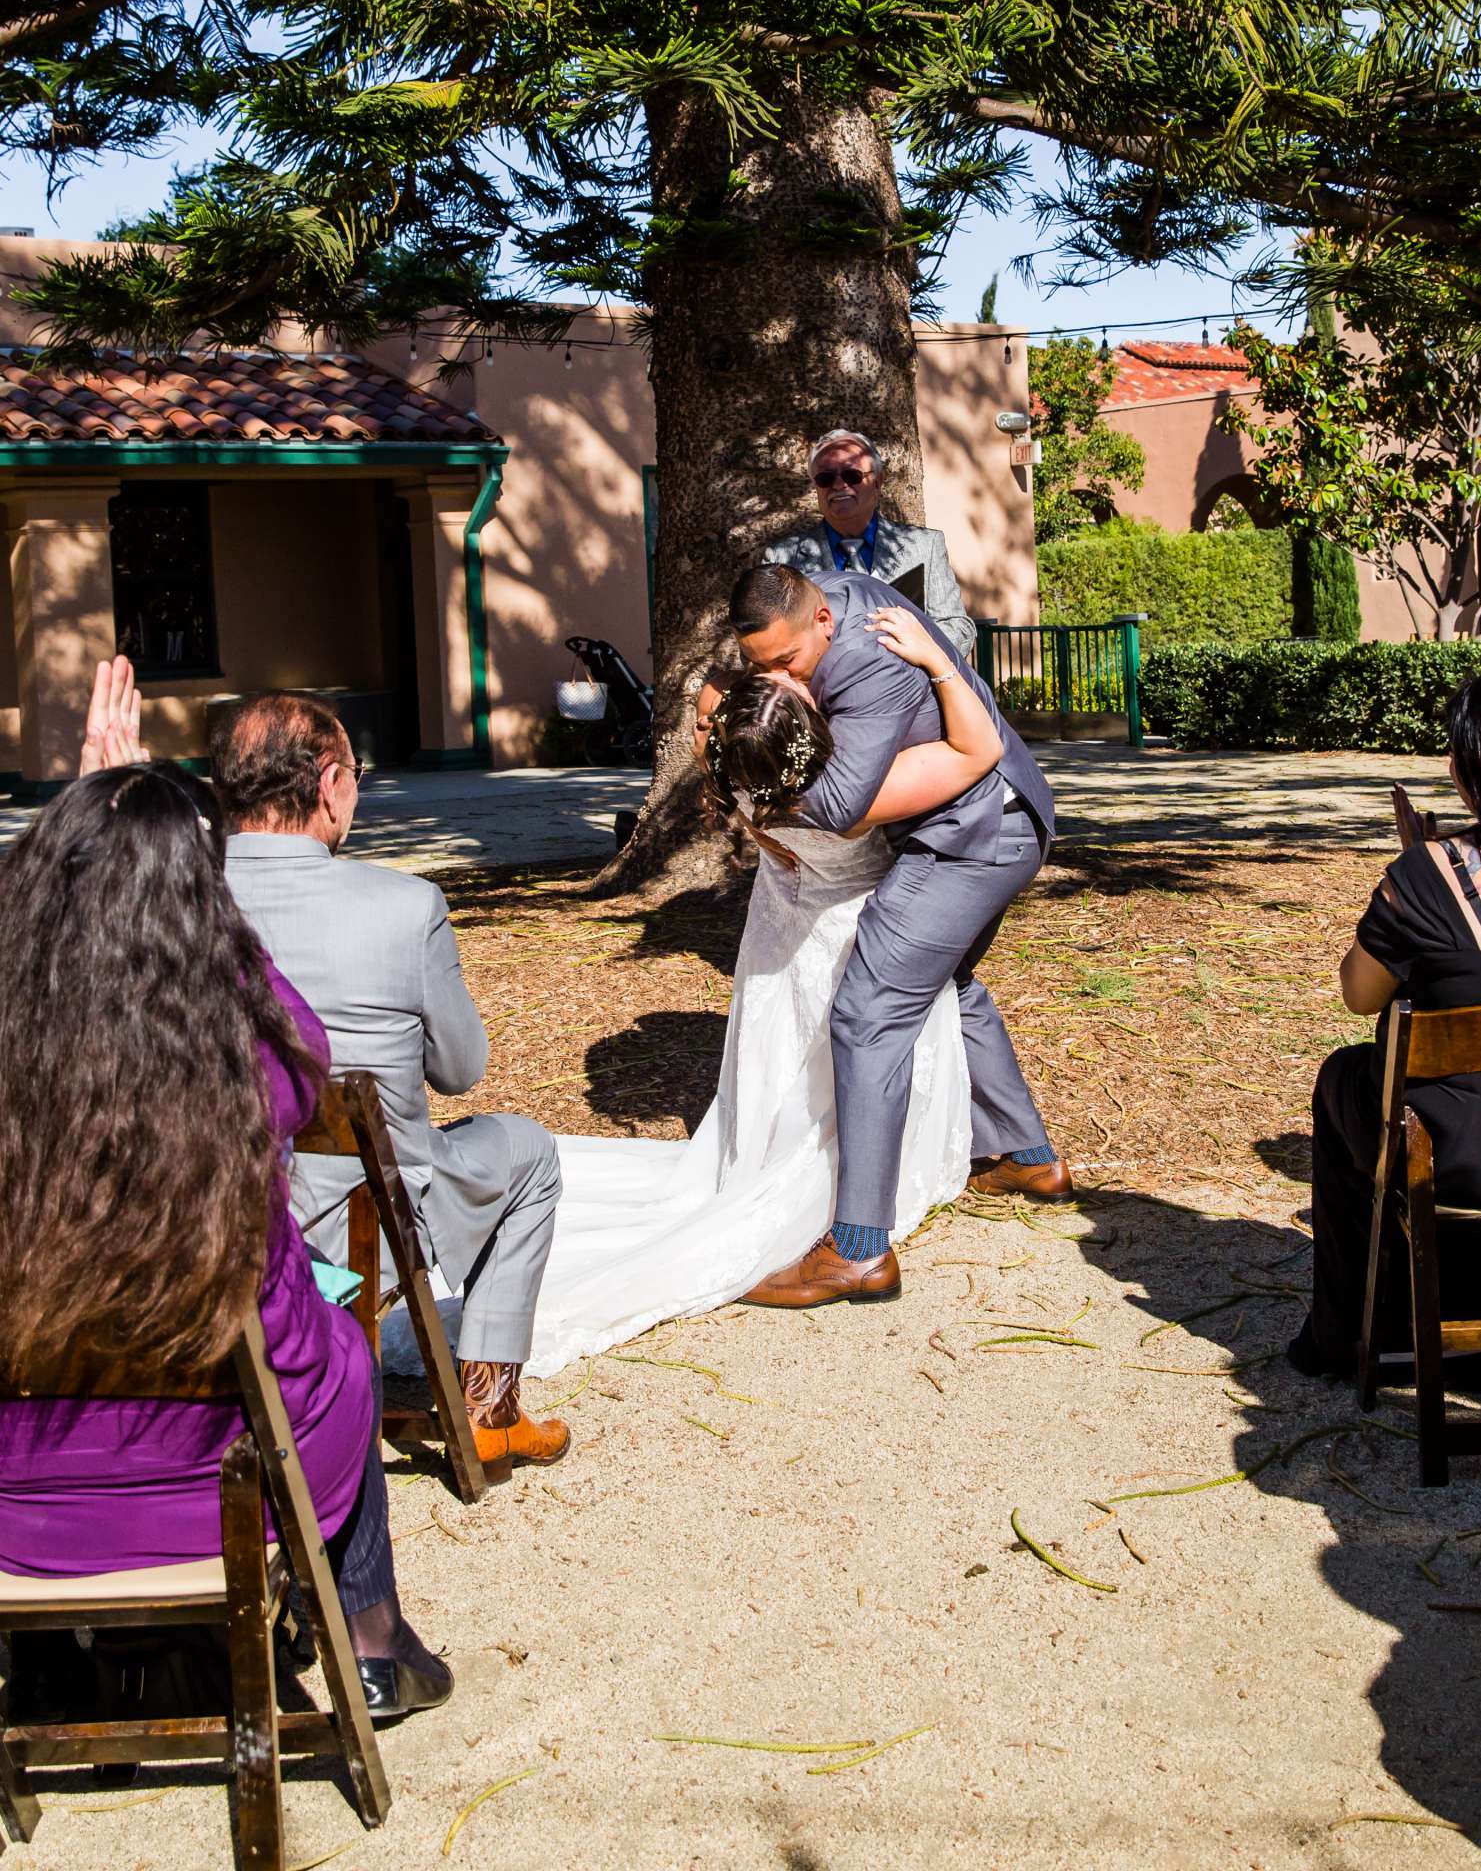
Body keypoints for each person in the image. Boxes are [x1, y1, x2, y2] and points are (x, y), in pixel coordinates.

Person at [0, 758, 451, 1723]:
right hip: (224, 1482)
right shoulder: (239, 1063)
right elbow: (308, 1053)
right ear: (202, 906)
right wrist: (216, 930)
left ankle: (59, 1666)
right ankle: (370, 1641)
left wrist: (73, 835)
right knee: (341, 1346)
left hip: (17, 1505)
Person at [520, 604, 1005, 1370]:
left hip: (782, 922)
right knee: (858, 1036)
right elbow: (978, 751)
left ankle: (782, 1146)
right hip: (847, 925)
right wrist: (937, 660)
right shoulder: (852, 803)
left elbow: (722, 716)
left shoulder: (744, 784)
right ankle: (864, 1196)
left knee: (784, 1046)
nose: (791, 680)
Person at [210, 690, 567, 1473]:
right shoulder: (404, 906)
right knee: (530, 1152)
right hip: (365, 1218)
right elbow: (461, 1071)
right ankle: (488, 1407)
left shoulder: (172, 904)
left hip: (213, 1208)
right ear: (330, 780)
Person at [729, 563, 1070, 1310]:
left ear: (821, 623)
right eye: (761, 667)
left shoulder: (867, 660)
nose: (779, 680)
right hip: (1001, 819)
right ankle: (1026, 1156)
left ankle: (858, 1248)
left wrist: (762, 756)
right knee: (946, 985)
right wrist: (744, 695)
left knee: (866, 1014)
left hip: (974, 836)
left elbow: (847, 805)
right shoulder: (816, 599)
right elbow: (760, 668)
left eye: (786, 665)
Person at [1291, 666, 1481, 1390]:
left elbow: (1359, 995)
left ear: (1472, 772)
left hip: (1472, 1161)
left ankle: (1347, 1335)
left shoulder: (1430, 877)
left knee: (1345, 1077)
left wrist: (1415, 866)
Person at [761, 429, 977, 657]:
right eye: (825, 479)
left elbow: (958, 628)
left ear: (878, 481)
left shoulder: (924, 546)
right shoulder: (782, 558)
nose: (838, 485)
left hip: (905, 684)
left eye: (852, 475)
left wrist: (912, 655)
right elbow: (763, 637)